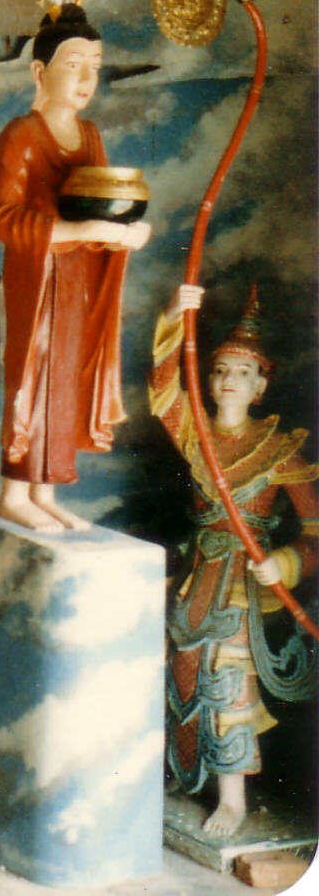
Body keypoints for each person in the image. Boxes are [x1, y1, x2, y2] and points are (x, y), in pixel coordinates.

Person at [153, 283, 317, 836]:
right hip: (197, 576)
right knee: (180, 670)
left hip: (245, 586)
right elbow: (162, 395)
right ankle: (182, 772)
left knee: (228, 680)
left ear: (261, 385)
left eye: (242, 373)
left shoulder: (280, 450)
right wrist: (175, 317)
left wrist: (288, 564)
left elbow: (317, 533)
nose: (228, 380)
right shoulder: (197, 433)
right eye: (220, 369)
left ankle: (233, 798)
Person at [0, 5, 151, 531]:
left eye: (95, 66)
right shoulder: (21, 135)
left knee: (68, 377)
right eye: (73, 64)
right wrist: (85, 232)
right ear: (39, 72)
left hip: (77, 275)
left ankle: (47, 489)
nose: (86, 78)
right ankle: (15, 490)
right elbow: (4, 218)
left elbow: (102, 201)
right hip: (36, 275)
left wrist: (126, 232)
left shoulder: (91, 136)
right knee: (32, 375)